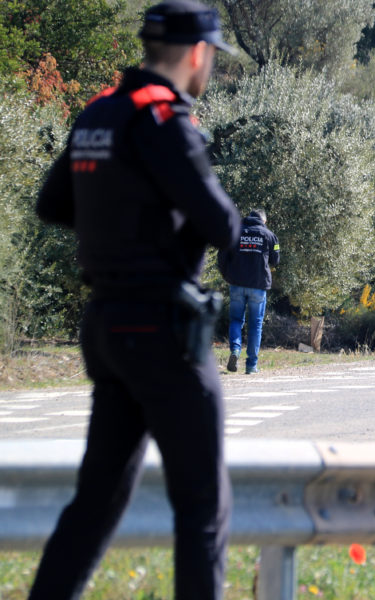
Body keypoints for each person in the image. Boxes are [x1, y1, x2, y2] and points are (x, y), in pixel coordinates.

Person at [29, 2, 240, 599]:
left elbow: (53, 205)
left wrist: (119, 229)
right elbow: (222, 226)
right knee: (204, 506)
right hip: (164, 334)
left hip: (107, 325)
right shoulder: (166, 120)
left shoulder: (100, 112)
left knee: (95, 502)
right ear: (197, 54)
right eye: (212, 61)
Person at [218, 209, 280, 374]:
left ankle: (235, 350)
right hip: (258, 287)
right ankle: (251, 365)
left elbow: (222, 256)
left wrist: (227, 276)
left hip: (237, 284)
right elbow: (276, 259)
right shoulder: (270, 235)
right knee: (255, 325)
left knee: (236, 320)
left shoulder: (235, 232)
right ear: (263, 221)